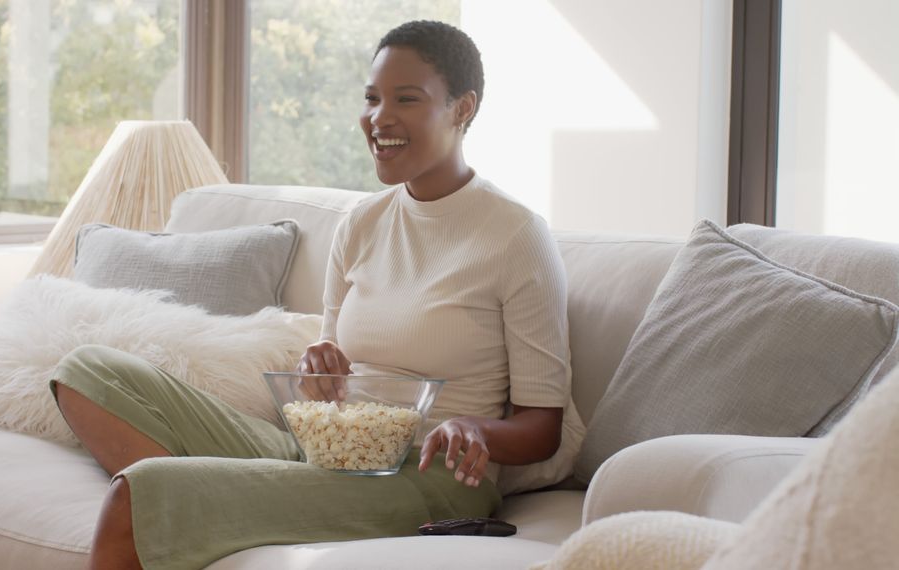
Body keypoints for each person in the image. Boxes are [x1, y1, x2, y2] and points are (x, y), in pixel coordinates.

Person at [50, 20, 575, 569]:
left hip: (428, 479)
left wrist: (476, 430)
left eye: (407, 99)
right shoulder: (363, 222)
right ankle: (218, 503)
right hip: (327, 453)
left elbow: (543, 427)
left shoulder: (515, 235)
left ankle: (193, 499)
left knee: (141, 492)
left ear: (463, 108)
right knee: (85, 372)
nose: (379, 118)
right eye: (372, 98)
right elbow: (325, 383)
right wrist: (318, 369)